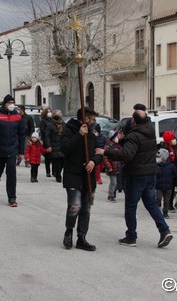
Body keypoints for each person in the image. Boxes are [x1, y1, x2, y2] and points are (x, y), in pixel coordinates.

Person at [97, 109, 173, 248]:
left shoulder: (134, 135)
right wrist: (123, 140)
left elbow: (127, 154)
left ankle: (131, 236)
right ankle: (164, 230)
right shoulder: (150, 132)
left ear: (133, 120)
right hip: (150, 173)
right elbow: (137, 149)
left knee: (131, 206)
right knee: (151, 204)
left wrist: (106, 152)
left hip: (136, 174)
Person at [60, 107, 102, 251]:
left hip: (88, 177)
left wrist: (93, 161)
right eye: (91, 119)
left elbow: (98, 151)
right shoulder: (68, 130)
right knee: (75, 206)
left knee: (86, 208)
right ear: (84, 118)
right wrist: (78, 135)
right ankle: (69, 231)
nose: (93, 122)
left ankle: (82, 238)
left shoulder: (92, 135)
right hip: (73, 175)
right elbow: (65, 149)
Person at [0, 94, 25, 207]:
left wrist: (21, 152)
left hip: (12, 150)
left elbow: (21, 135)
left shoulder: (18, 117)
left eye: (13, 102)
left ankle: (12, 198)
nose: (11, 105)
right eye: (9, 103)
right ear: (4, 104)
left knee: (11, 173)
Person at [155, 148, 177, 219]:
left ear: (164, 157)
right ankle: (156, 211)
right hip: (159, 186)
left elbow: (175, 173)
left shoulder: (171, 166)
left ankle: (165, 212)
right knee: (158, 198)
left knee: (167, 201)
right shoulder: (156, 166)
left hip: (168, 187)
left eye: (159, 157)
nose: (157, 158)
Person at [160, 131, 177, 211]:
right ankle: (165, 204)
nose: (175, 140)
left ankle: (170, 204)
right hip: (167, 170)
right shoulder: (164, 149)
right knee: (166, 189)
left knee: (172, 189)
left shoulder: (176, 147)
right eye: (173, 138)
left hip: (174, 169)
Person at [46, 110, 65, 182]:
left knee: (62, 162)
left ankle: (57, 173)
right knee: (57, 162)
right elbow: (47, 136)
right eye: (57, 114)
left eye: (60, 114)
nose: (59, 115)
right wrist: (49, 145)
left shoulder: (63, 124)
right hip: (54, 145)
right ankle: (58, 176)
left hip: (62, 145)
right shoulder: (50, 124)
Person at [103, 130, 122, 203]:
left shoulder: (118, 146)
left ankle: (113, 193)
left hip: (118, 167)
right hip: (112, 168)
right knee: (113, 182)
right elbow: (105, 158)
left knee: (117, 183)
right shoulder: (108, 146)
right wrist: (109, 167)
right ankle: (110, 196)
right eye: (116, 136)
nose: (117, 137)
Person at [39, 107, 54, 177]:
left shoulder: (52, 120)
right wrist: (48, 132)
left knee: (54, 157)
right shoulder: (43, 121)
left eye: (50, 111)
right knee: (47, 157)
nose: (49, 113)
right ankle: (48, 171)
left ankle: (54, 171)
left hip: (53, 140)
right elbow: (42, 130)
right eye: (48, 112)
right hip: (46, 140)